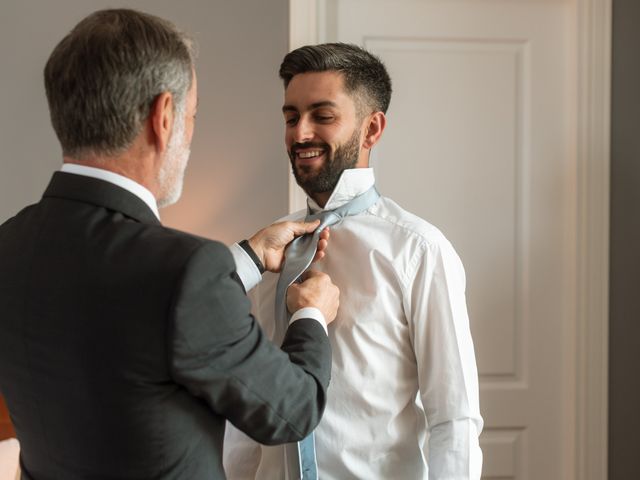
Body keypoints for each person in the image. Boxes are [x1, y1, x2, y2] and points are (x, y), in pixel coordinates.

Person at [0, 10, 341, 479]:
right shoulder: (185, 271)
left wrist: (247, 257)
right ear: (163, 117)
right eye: (192, 116)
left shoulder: (11, 243)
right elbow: (291, 411)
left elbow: (132, 316)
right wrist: (311, 314)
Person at [223, 43, 483, 479]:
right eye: (291, 117)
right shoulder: (269, 250)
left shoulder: (418, 250)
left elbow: (453, 417)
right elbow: (248, 400)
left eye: (322, 116)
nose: (300, 133)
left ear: (372, 129)